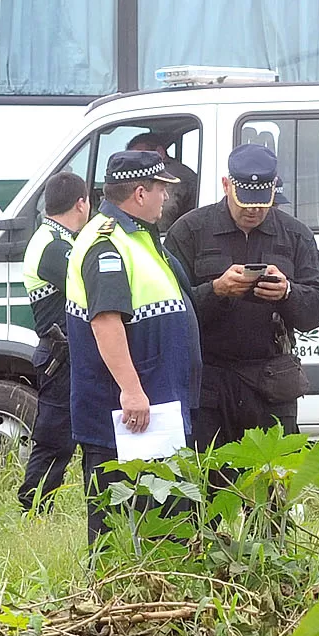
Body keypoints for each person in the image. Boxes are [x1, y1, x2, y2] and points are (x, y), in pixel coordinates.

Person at [64, 151, 200, 546]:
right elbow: (105, 320)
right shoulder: (107, 243)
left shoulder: (136, 235)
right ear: (140, 193)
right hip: (127, 418)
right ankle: (114, 602)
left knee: (167, 522)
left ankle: (162, 596)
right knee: (118, 525)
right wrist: (132, 389)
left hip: (152, 412)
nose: (166, 198)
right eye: (161, 189)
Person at [165, 145, 319, 451]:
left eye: (261, 203)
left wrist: (287, 293)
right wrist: (215, 291)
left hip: (271, 382)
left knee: (272, 487)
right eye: (245, 202)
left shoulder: (295, 235)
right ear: (226, 185)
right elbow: (169, 311)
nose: (253, 210)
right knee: (210, 484)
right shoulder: (189, 231)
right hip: (209, 383)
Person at [16, 172, 90, 512]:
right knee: (54, 440)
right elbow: (89, 288)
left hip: (64, 354)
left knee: (67, 438)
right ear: (81, 202)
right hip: (60, 357)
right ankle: (33, 509)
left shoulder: (56, 239)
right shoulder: (53, 246)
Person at [126, 132, 198, 232]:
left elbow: (161, 218)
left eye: (141, 156)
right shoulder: (177, 170)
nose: (135, 163)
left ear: (160, 152)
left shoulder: (169, 176)